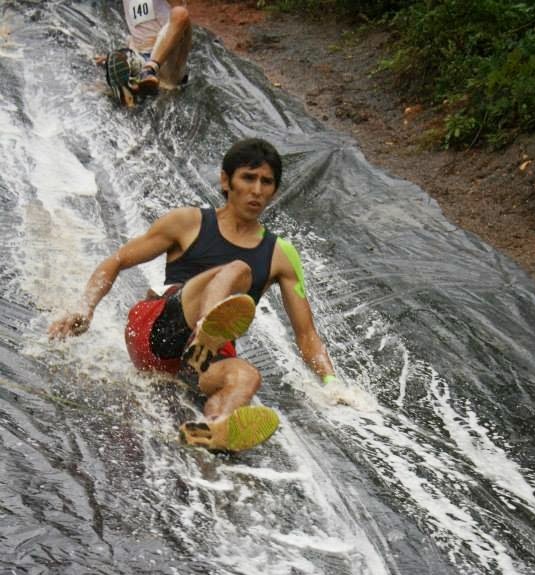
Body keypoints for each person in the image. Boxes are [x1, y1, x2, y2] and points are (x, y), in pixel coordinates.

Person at [48, 138, 345, 453]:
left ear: (274, 190)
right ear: (226, 181)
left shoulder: (281, 254)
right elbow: (118, 260)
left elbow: (306, 334)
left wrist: (332, 383)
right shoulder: (188, 223)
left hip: (195, 365)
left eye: (266, 182)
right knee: (238, 270)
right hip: (156, 329)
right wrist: (85, 308)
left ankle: (215, 426)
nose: (257, 190)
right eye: (248, 178)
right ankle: (206, 328)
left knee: (247, 377)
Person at [103, 1, 192, 105]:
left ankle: (148, 70)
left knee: (180, 13)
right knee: (126, 46)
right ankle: (131, 80)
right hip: (139, 52)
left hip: (168, 58)